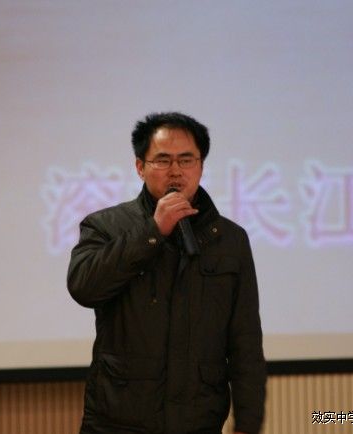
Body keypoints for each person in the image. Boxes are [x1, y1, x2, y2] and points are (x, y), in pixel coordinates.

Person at [67, 112, 266, 434]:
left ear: (201, 166)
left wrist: (248, 422)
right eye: (162, 160)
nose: (175, 170)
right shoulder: (105, 226)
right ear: (140, 167)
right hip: (118, 419)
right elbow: (83, 287)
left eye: (186, 160)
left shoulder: (230, 239)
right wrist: (153, 231)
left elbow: (245, 339)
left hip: (198, 419)